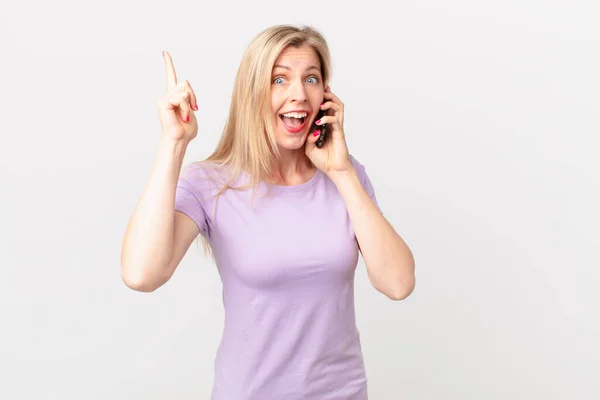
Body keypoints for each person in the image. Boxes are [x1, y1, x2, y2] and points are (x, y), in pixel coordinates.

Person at [121, 24, 415, 400]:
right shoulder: (211, 183)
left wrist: (341, 172)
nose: (299, 95)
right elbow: (141, 274)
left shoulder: (346, 178)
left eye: (311, 79)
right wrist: (173, 143)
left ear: (326, 95)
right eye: (279, 79)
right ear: (253, 92)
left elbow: (398, 283)